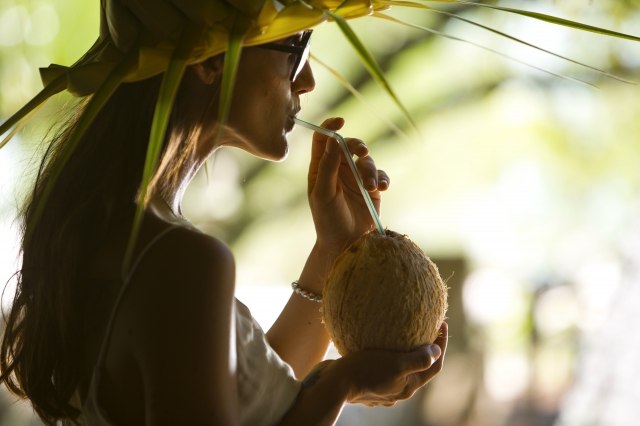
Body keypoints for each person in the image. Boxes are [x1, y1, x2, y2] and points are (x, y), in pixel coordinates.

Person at [0, 4, 448, 426]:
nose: (307, 79)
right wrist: (343, 383)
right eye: (296, 46)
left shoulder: (116, 236)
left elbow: (244, 399)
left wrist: (333, 250)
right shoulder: (181, 260)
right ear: (210, 58)